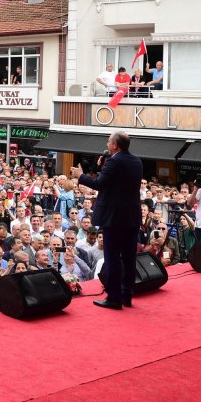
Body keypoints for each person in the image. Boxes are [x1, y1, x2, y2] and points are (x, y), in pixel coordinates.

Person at [70, 130, 143, 310]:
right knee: (128, 258)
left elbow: (99, 184)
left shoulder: (114, 161)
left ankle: (114, 298)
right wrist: (105, 167)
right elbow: (117, 183)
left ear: (115, 145)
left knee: (112, 258)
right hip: (132, 217)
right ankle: (126, 295)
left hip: (114, 218)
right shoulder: (137, 161)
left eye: (108, 142)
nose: (106, 145)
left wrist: (80, 175)